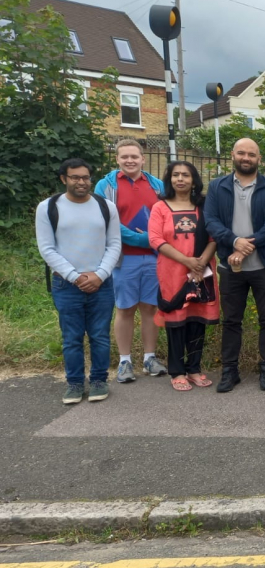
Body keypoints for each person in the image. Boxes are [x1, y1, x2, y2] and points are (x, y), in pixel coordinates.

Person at [36, 158, 121, 404]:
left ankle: (98, 380)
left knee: (100, 335)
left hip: (101, 284)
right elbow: (47, 248)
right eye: (75, 177)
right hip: (66, 285)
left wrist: (100, 274)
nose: (81, 182)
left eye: (85, 177)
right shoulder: (48, 207)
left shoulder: (106, 206)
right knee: (71, 337)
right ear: (64, 179)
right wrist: (75, 277)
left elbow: (114, 243)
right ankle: (74, 383)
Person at [204, 138, 265, 393]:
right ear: (233, 155)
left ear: (259, 159)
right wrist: (234, 241)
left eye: (251, 154)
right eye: (242, 153)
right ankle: (230, 371)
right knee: (231, 321)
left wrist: (248, 244)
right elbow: (211, 220)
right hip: (231, 267)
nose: (246, 157)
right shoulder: (217, 187)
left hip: (264, 265)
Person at [93, 139, 168, 382]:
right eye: (124, 157)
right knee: (125, 310)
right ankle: (125, 362)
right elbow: (105, 221)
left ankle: (149, 358)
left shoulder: (157, 185)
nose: (130, 161)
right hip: (123, 259)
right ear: (117, 159)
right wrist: (145, 239)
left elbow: (167, 216)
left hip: (154, 258)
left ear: (143, 158)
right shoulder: (106, 186)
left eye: (134, 156)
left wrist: (153, 241)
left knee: (150, 308)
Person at [147, 162, 220, 392]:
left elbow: (214, 237)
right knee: (176, 320)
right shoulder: (160, 207)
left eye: (185, 175)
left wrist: (200, 263)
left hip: (202, 271)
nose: (180, 179)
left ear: (194, 179)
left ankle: (194, 369)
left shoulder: (204, 206)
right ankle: (177, 371)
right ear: (169, 179)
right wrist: (187, 261)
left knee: (197, 318)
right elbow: (156, 240)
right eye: (175, 175)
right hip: (173, 272)